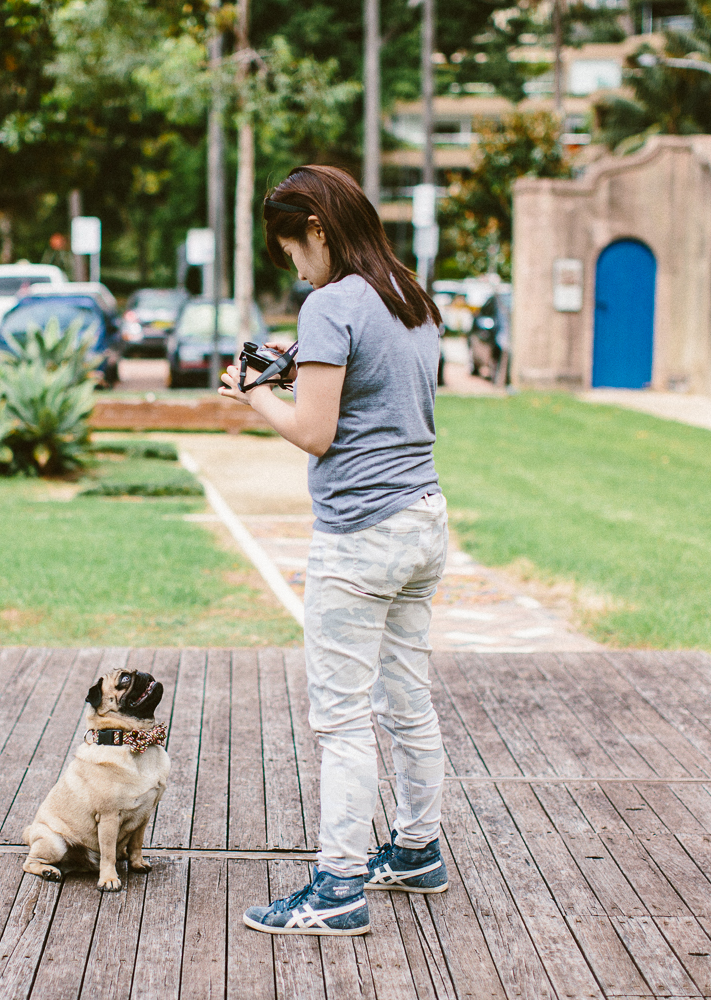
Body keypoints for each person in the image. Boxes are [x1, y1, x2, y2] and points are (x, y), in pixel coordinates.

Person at [219, 164, 449, 937]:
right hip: (423, 520)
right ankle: (417, 850)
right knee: (407, 702)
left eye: (290, 247)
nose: (293, 264)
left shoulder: (330, 304)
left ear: (315, 228)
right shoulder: (410, 296)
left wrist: (256, 394)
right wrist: (296, 366)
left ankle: (339, 889)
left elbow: (315, 433)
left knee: (343, 721)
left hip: (361, 539)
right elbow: (375, 397)